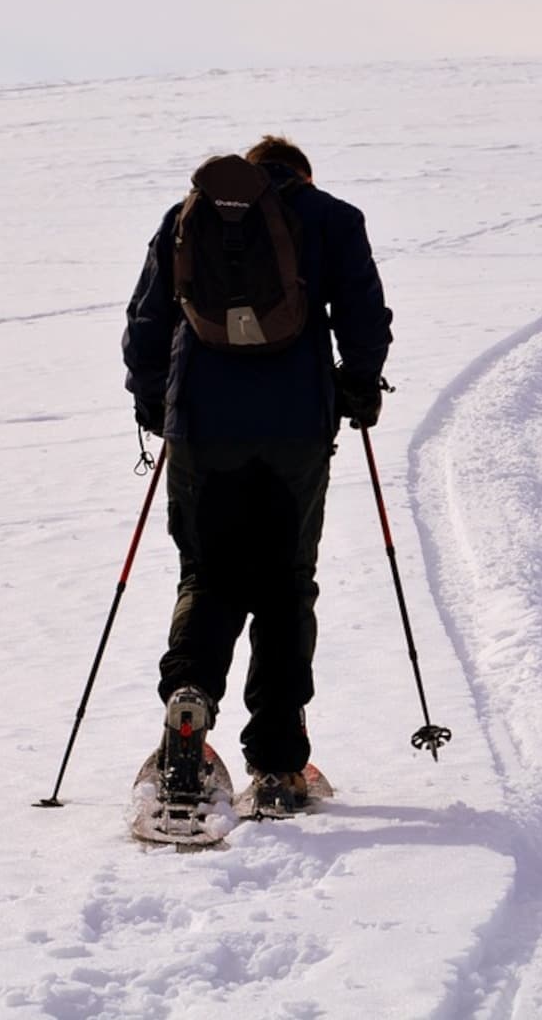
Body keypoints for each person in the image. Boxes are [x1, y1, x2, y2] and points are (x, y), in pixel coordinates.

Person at [122, 135, 392, 814]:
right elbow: (365, 317)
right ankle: (277, 764)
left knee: (207, 575)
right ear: (300, 175)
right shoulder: (332, 217)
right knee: (285, 586)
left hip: (202, 432)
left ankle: (191, 702)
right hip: (296, 433)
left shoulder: (186, 217)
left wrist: (157, 403)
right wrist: (358, 389)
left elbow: (147, 321)